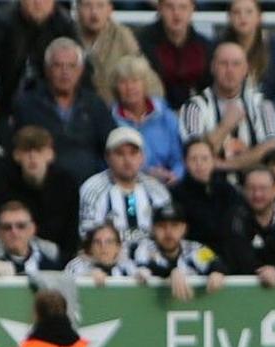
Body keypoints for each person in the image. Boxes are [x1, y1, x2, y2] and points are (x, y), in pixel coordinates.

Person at [11, 37, 117, 183]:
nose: (65, 72)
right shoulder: (27, 105)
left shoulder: (94, 104)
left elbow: (112, 144)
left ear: (80, 70)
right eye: (58, 66)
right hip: (44, 186)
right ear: (47, 70)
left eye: (71, 66)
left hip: (90, 185)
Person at [178, 42, 275, 175]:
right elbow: (195, 155)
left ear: (245, 70)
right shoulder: (194, 106)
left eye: (236, 64)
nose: (230, 70)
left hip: (254, 187)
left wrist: (224, 165)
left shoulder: (262, 104)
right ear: (212, 67)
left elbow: (271, 148)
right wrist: (225, 125)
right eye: (223, 64)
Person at [0, 126, 81, 261]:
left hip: (55, 256)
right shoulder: (2, 183)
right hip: (8, 253)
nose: (32, 156)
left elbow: (71, 233)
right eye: (26, 150)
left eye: (39, 150)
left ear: (50, 154)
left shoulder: (66, 184)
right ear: (17, 155)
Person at [78, 127, 173, 243]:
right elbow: (87, 236)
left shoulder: (157, 189)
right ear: (107, 157)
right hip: (108, 257)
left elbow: (170, 231)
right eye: (120, 154)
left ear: (142, 157)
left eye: (133, 153)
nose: (127, 160)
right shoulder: (92, 189)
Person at [221, 166, 275, 286]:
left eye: (263, 188)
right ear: (244, 190)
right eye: (251, 188)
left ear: (274, 189)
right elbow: (242, 264)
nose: (257, 194)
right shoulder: (235, 218)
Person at [0, 0, 78, 123]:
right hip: (5, 103)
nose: (38, 3)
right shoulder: (2, 22)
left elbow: (82, 71)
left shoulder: (64, 24)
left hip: (52, 107)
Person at [109, 56, 185, 185]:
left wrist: (175, 175)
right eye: (123, 82)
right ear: (116, 87)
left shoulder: (165, 116)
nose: (130, 87)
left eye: (135, 80)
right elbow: (108, 163)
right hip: (127, 185)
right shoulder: (109, 119)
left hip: (169, 185)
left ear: (145, 84)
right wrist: (147, 173)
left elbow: (180, 158)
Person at [130, 202, 227, 302]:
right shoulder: (143, 248)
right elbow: (144, 266)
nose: (168, 232)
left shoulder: (195, 248)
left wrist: (217, 271)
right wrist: (170, 273)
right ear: (153, 229)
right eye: (162, 226)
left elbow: (215, 261)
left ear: (183, 228)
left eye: (174, 225)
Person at [136, 0, 213, 110]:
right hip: (154, 113)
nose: (176, 13)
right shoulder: (141, 43)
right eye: (169, 7)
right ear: (160, 9)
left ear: (192, 9)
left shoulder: (205, 47)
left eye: (183, 7)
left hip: (197, 111)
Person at [170, 137, 243, 250]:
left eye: (205, 158)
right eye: (193, 159)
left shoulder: (228, 190)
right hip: (196, 253)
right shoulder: (176, 194)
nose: (199, 164)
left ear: (213, 160)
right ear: (185, 162)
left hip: (230, 253)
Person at [219, 0, 275, 106]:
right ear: (229, 17)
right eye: (236, 12)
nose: (242, 17)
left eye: (249, 12)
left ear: (259, 17)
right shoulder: (219, 49)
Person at [76, 0, 141, 105]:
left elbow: (139, 75)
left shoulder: (123, 37)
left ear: (110, 9)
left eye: (100, 6)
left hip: (115, 108)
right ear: (77, 9)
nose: (94, 12)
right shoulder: (68, 33)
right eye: (87, 5)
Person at [0, 201, 62, 276]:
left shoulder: (51, 257)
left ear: (32, 229)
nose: (14, 232)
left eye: (21, 226)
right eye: (7, 227)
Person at [64, 222, 138, 282]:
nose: (103, 246)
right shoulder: (76, 266)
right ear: (90, 247)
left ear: (118, 247)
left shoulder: (128, 266)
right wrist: (87, 278)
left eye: (109, 242)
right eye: (97, 242)